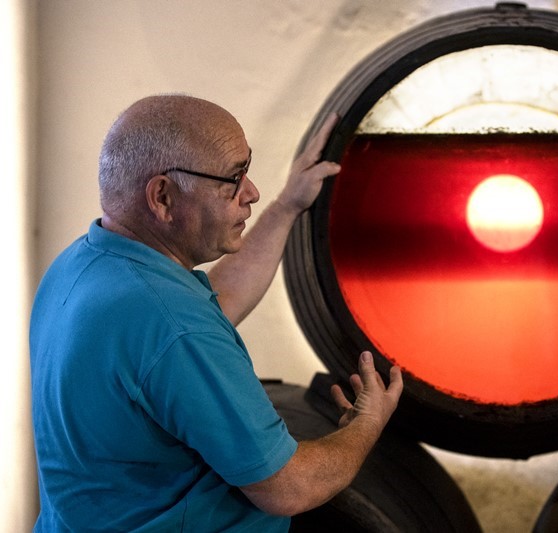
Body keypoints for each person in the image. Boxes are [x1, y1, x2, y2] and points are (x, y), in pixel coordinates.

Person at [29, 94, 403, 532]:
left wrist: (287, 205)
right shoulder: (170, 322)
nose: (252, 192)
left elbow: (212, 307)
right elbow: (288, 487)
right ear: (163, 197)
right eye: (232, 178)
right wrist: (367, 424)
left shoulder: (87, 266)